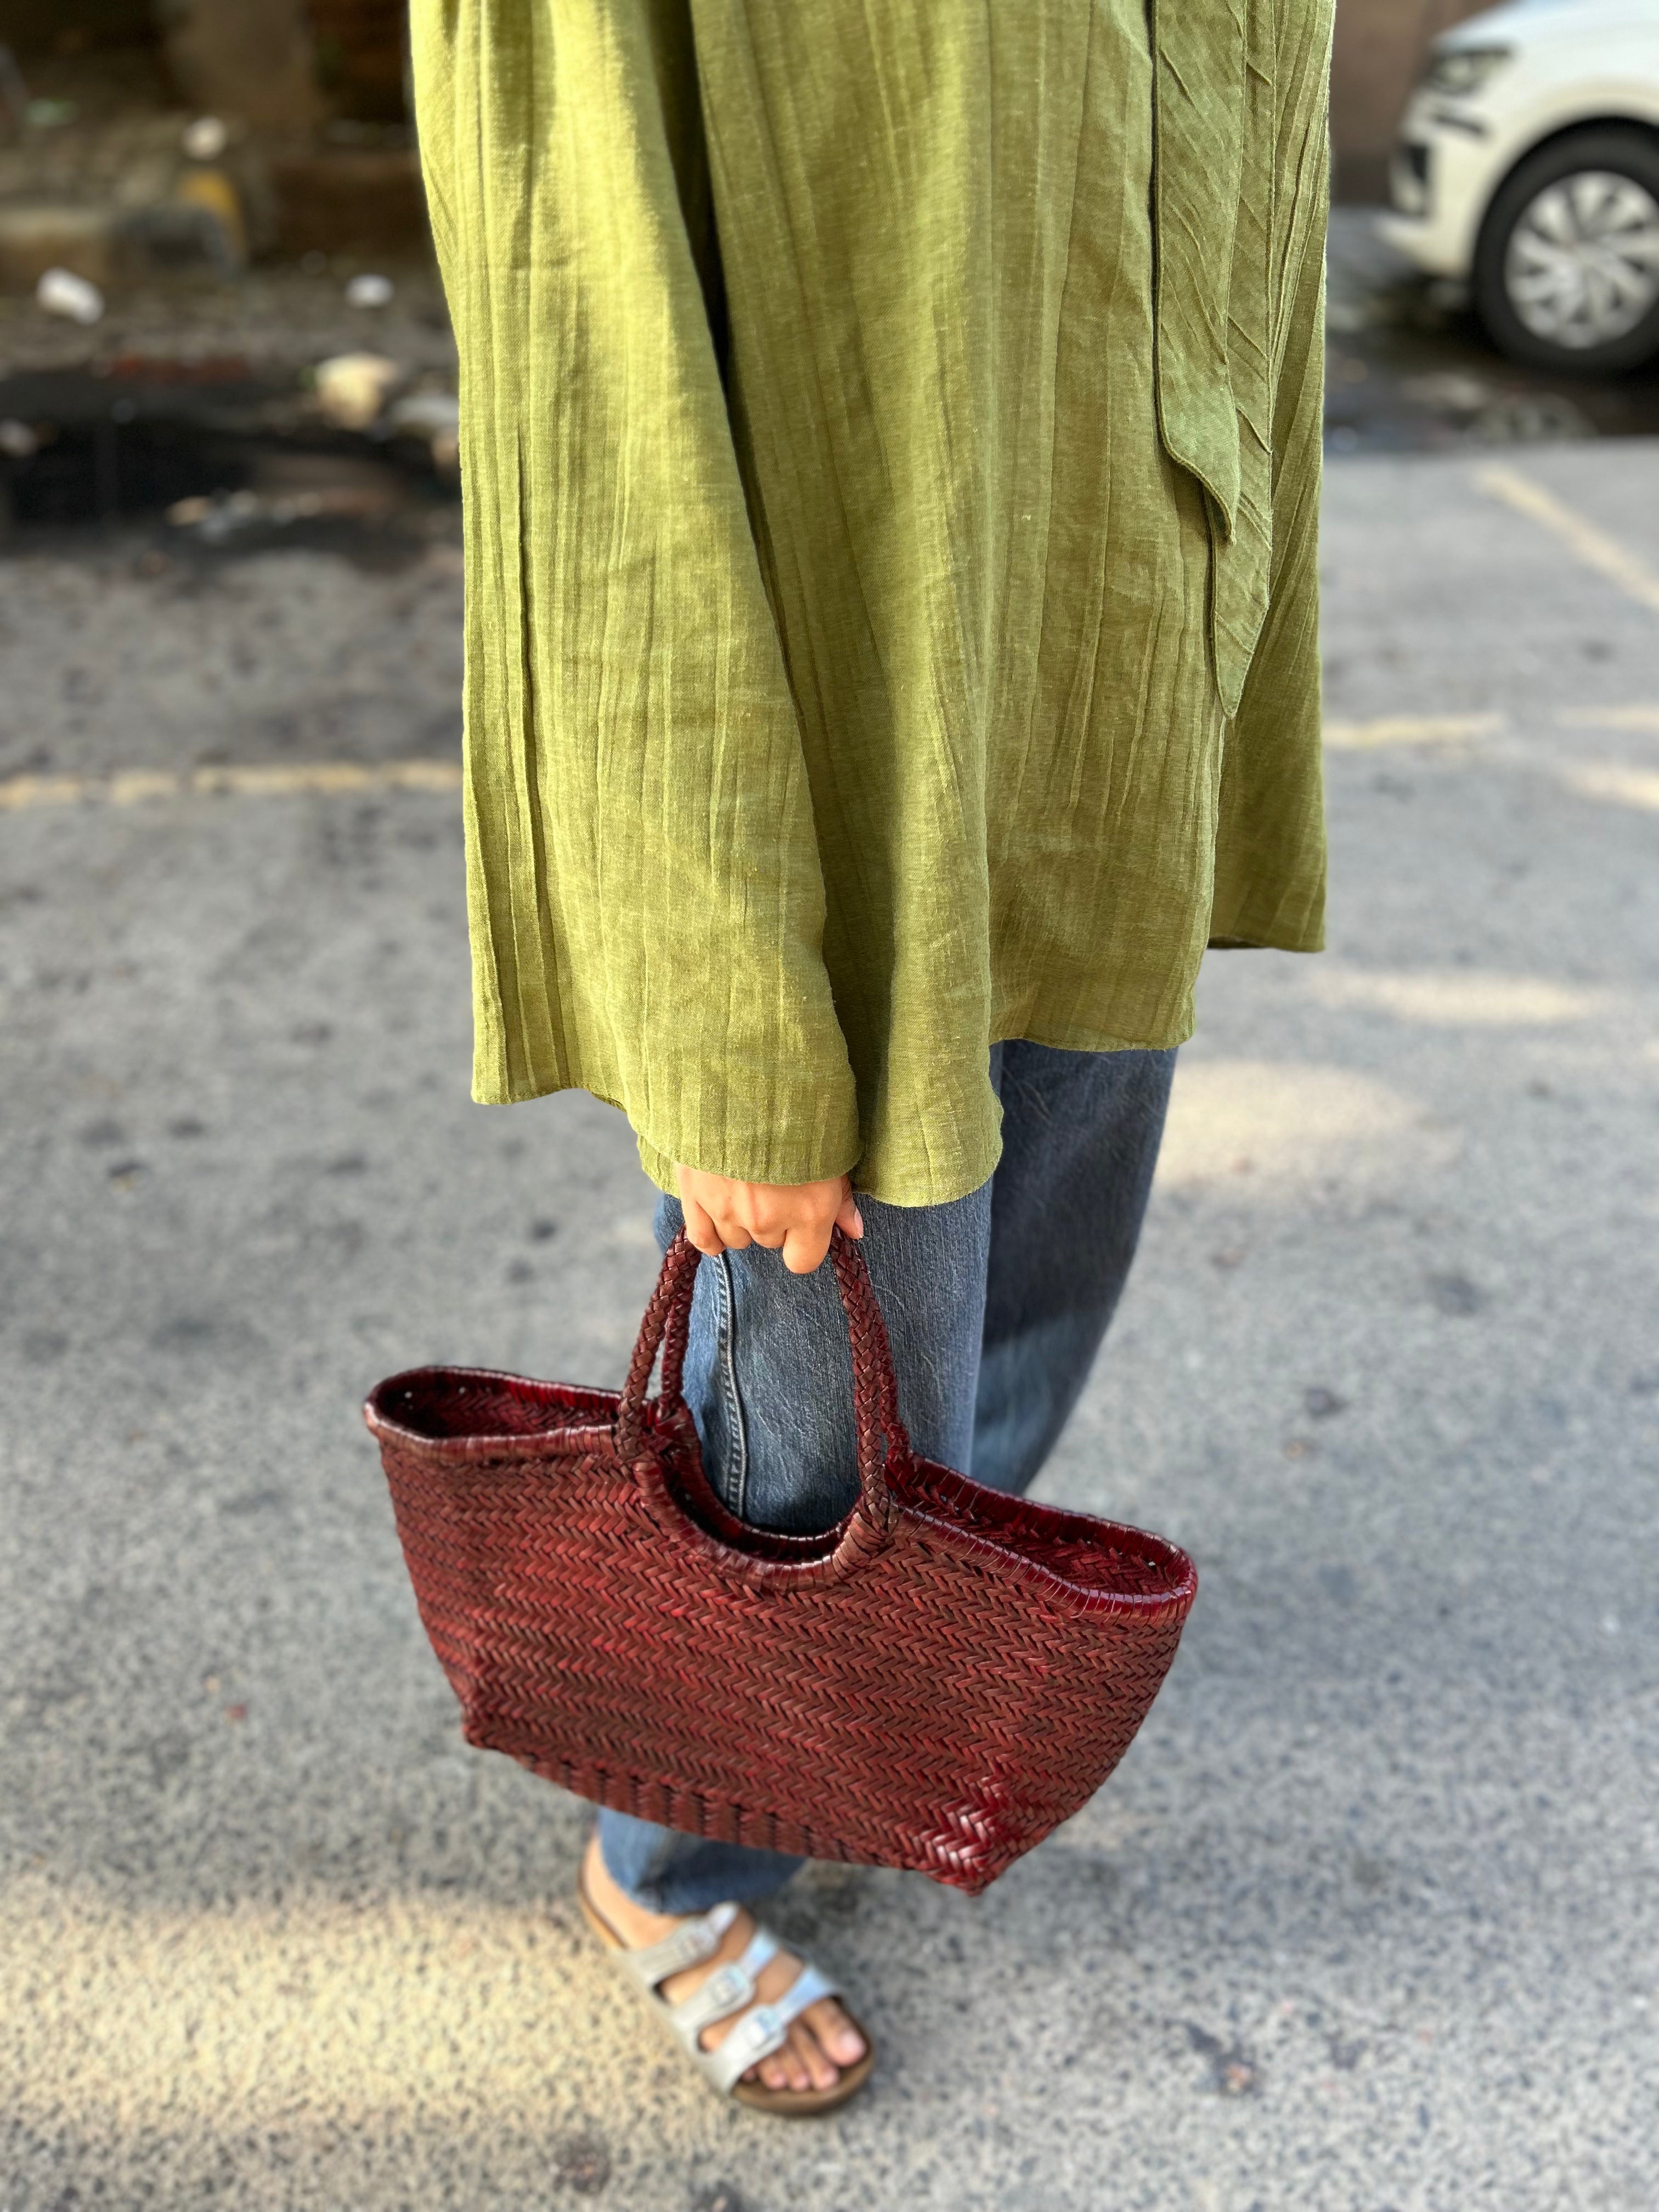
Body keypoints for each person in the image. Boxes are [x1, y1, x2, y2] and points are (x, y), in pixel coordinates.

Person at [410, 0, 1332, 2114]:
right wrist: (720, 1013)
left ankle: (863, 1707)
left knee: (1011, 1330)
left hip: (1095, 710)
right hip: (856, 750)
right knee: (817, 1413)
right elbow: (589, 360)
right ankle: (669, 1864)